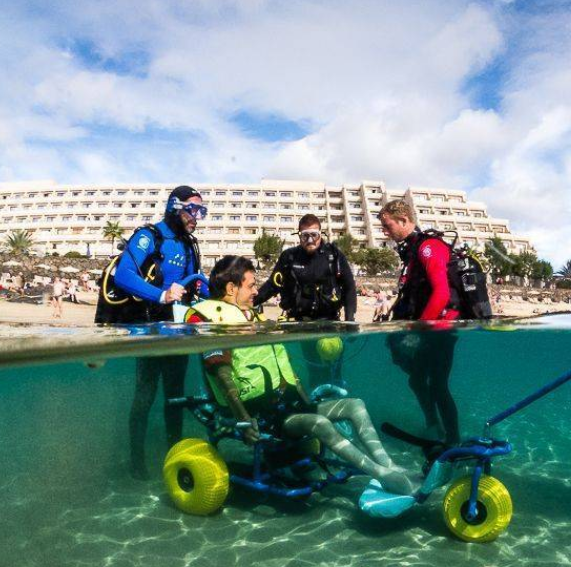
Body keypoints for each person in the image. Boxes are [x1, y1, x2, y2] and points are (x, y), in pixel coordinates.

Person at [188, 256, 413, 494]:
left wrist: (307, 401)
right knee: (319, 423)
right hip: (261, 413)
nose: (256, 291)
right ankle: (381, 474)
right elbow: (222, 376)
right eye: (251, 285)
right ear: (231, 288)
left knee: (355, 405)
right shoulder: (212, 320)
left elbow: (287, 370)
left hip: (288, 405)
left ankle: (389, 464)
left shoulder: (253, 317)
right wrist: (244, 421)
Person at [105, 185, 205, 479]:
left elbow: (191, 288)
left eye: (201, 211)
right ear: (175, 205)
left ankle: (174, 460)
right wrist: (162, 296)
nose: (196, 217)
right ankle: (137, 462)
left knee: (175, 398)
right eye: (192, 209)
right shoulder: (149, 236)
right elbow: (123, 275)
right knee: (145, 396)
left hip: (178, 333)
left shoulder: (189, 246)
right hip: (149, 330)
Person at [377, 199, 461, 446]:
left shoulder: (428, 248)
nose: (385, 231)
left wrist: (418, 333)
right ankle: (433, 426)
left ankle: (453, 440)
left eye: (387, 225)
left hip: (439, 330)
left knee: (437, 385)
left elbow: (442, 294)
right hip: (428, 330)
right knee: (417, 380)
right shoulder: (412, 251)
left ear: (404, 220)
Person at [254, 214, 357, 387]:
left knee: (335, 370)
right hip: (302, 324)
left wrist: (351, 320)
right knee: (315, 371)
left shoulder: (334, 256)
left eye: (314, 235)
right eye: (305, 235)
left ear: (321, 234)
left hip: (330, 323)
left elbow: (349, 288)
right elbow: (273, 284)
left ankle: (338, 401)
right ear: (299, 236)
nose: (310, 240)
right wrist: (250, 302)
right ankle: (319, 404)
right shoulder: (289, 258)